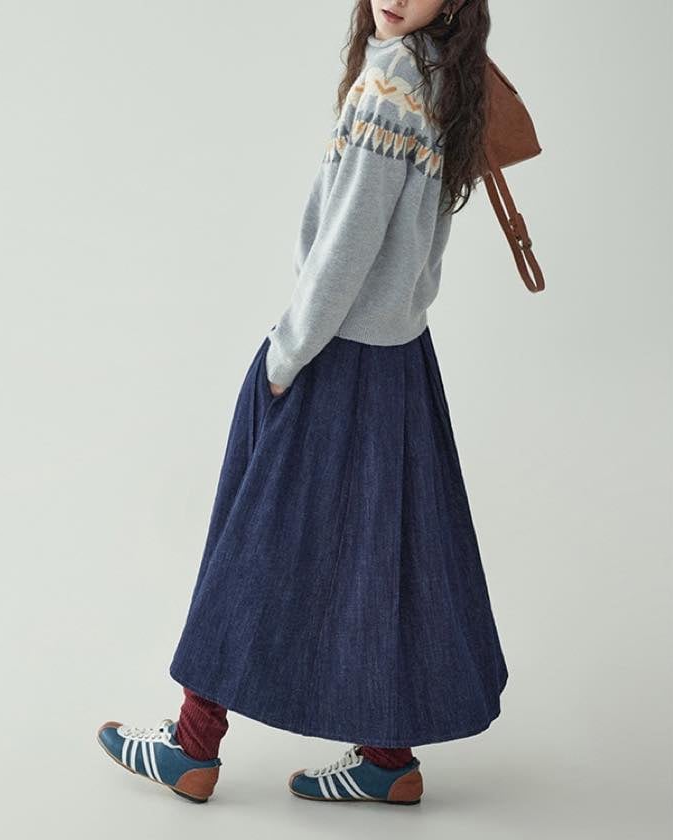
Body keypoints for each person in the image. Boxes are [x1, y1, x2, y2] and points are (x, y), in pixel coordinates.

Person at [97, 0, 508, 805]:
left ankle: (193, 747)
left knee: (252, 533)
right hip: (399, 355)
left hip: (337, 350)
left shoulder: (392, 79)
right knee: (384, 549)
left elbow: (349, 240)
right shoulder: (444, 76)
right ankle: (388, 759)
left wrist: (289, 351)